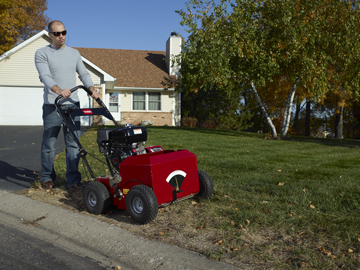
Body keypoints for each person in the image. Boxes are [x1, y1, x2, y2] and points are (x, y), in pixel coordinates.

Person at [35, 20, 99, 190]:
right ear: (50, 35)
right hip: (52, 105)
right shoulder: (42, 53)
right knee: (49, 143)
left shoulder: (74, 53)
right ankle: (47, 177)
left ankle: (73, 180)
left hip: (72, 105)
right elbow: (45, 76)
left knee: (73, 144)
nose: (61, 36)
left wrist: (91, 88)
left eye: (63, 32)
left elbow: (83, 73)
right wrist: (58, 90)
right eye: (57, 33)